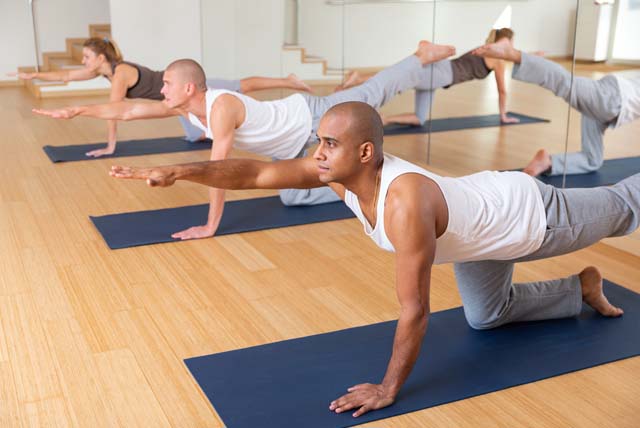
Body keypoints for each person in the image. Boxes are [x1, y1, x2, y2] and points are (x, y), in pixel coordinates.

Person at [109, 101, 634, 418]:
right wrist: (180, 170)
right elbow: (255, 175)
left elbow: (415, 310)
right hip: (477, 234)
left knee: (623, 205)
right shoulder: (342, 179)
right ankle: (579, 289)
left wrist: (389, 388)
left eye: (329, 144)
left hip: (532, 217)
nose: (318, 154)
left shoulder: (404, 203)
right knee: (486, 316)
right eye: (319, 141)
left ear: (364, 153)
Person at [33, 40, 456, 240]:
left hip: (308, 117)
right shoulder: (188, 107)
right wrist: (77, 110)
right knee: (293, 198)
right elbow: (127, 109)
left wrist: (210, 225)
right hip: (290, 145)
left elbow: (220, 171)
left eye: (166, 85)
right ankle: (357, 178)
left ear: (188, 88)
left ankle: (418, 56)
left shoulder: (220, 110)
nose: (159, 91)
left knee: (372, 94)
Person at [11, 37, 311, 157]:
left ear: (102, 57)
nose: (84, 62)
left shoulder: (121, 73)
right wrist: (33, 76)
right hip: (178, 104)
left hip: (190, 93)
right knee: (196, 136)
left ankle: (287, 81)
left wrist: (110, 145)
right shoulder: (101, 71)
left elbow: (119, 109)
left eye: (88, 57)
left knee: (241, 85)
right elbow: (64, 77)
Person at [473, 37, 640, 177]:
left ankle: (547, 161)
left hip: (609, 109)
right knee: (564, 82)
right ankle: (512, 53)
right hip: (613, 99)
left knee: (592, 160)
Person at [335, 28, 520, 126]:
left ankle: (385, 119)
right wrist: (503, 116)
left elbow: (515, 55)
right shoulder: (498, 59)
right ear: (506, 42)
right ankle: (358, 80)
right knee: (394, 78)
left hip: (440, 73)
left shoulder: (484, 48)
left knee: (419, 118)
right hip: (442, 74)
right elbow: (502, 91)